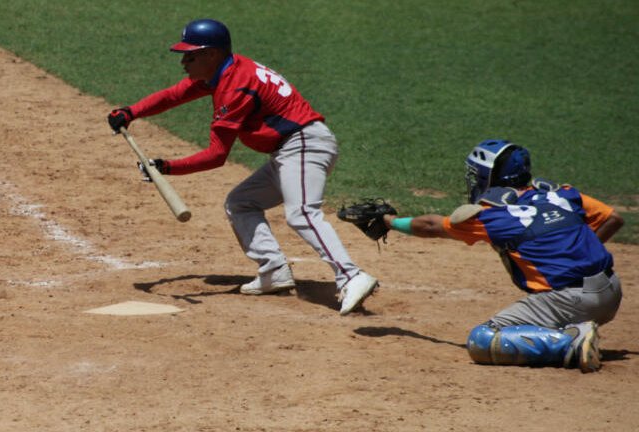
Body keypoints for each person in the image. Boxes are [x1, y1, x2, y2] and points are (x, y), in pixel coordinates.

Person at [107, 18, 378, 315]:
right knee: (240, 203)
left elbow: (217, 155)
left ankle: (350, 275)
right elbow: (176, 94)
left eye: (190, 56)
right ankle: (273, 269)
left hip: (304, 145)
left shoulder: (236, 87)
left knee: (301, 212)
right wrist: (130, 112)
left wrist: (166, 167)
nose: (183, 62)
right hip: (291, 149)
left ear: (212, 54)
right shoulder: (225, 70)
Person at [381, 139, 623, 372]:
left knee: (483, 339)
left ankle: (570, 342)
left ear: (489, 177)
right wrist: (573, 253)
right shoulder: (561, 195)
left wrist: (390, 221)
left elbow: (431, 226)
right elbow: (613, 218)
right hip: (612, 292)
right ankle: (575, 327)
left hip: (571, 302)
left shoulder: (495, 216)